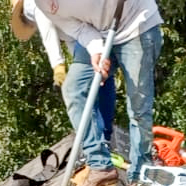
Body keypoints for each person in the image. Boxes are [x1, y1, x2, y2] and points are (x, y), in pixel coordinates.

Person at [34, 0, 163, 186]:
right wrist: (96, 50)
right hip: (102, 34)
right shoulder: (42, 6)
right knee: (73, 89)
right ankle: (100, 165)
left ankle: (140, 175)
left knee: (138, 107)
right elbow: (79, 28)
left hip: (136, 24)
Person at [11, 0, 115, 177]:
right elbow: (73, 39)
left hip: (95, 30)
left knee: (75, 89)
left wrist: (58, 66)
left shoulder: (33, 6)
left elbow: (47, 27)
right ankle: (104, 137)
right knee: (101, 79)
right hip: (95, 30)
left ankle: (98, 154)